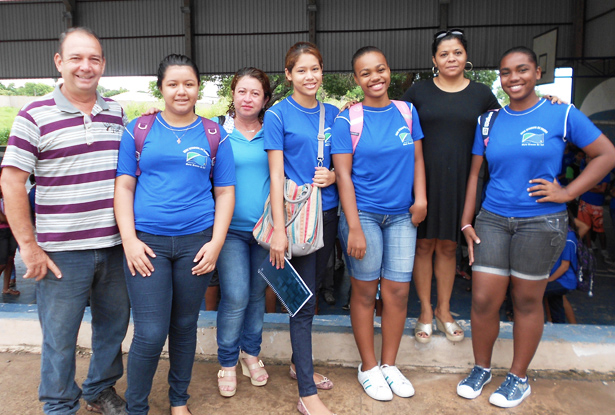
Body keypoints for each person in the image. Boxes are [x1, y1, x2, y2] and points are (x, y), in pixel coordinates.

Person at [457, 46, 615, 408]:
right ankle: (482, 368)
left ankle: (518, 377)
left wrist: (568, 192)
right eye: (506, 72)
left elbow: (606, 154)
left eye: (522, 70)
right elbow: (474, 174)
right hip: (493, 220)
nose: (513, 78)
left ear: (538, 72)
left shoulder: (560, 113)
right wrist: (466, 222)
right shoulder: (490, 120)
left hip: (540, 222)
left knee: (527, 301)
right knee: (483, 300)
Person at [0, 27, 130, 414]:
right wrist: (29, 247)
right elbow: (11, 181)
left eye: (93, 59)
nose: (85, 66)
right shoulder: (33, 114)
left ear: (103, 64)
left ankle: (99, 389)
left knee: (113, 328)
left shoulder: (117, 113)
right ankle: (59, 404)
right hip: (60, 254)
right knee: (60, 336)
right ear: (59, 62)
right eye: (76, 58)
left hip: (113, 246)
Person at [114, 54, 235, 414]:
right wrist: (130, 241)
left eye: (189, 84)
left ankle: (178, 400)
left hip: (195, 244)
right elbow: (123, 188)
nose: (181, 91)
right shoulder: (138, 130)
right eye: (173, 84)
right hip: (146, 244)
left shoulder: (215, 135)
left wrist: (215, 243)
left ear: (198, 88)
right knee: (150, 332)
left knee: (184, 325)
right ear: (161, 87)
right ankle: (136, 406)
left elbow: (225, 192)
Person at [332, 46, 427, 402]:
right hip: (365, 216)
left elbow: (417, 157)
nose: (376, 77)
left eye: (381, 69)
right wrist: (353, 226)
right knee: (364, 290)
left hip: (403, 215)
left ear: (390, 71)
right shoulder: (348, 121)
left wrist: (421, 198)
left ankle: (390, 363)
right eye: (366, 73)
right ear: (357, 80)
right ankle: (368, 366)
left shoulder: (407, 111)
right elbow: (343, 176)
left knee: (398, 291)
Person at [400, 29, 500, 343]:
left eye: (456, 52)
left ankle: (444, 310)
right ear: (434, 60)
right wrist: (354, 108)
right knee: (423, 245)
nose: (451, 58)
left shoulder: (482, 95)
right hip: (422, 180)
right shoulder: (419, 92)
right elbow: (389, 119)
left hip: (463, 180)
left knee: (448, 246)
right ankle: (426, 311)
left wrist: (547, 102)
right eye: (444, 54)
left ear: (466, 56)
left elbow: (509, 121)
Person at [264, 41, 338, 415]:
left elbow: (346, 166)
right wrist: (278, 229)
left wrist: (335, 174)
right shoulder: (277, 116)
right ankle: (307, 392)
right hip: (293, 223)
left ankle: (298, 364)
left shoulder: (334, 113)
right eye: (302, 70)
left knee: (311, 297)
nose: (310, 76)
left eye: (316, 69)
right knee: (300, 305)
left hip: (327, 218)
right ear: (289, 74)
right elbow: (276, 175)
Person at [213, 67, 272, 397]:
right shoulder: (217, 131)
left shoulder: (273, 132)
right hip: (230, 232)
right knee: (235, 295)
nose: (247, 98)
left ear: (265, 100)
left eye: (255, 93)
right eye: (242, 91)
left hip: (265, 230)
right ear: (233, 95)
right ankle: (227, 361)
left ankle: (251, 353)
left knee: (256, 295)